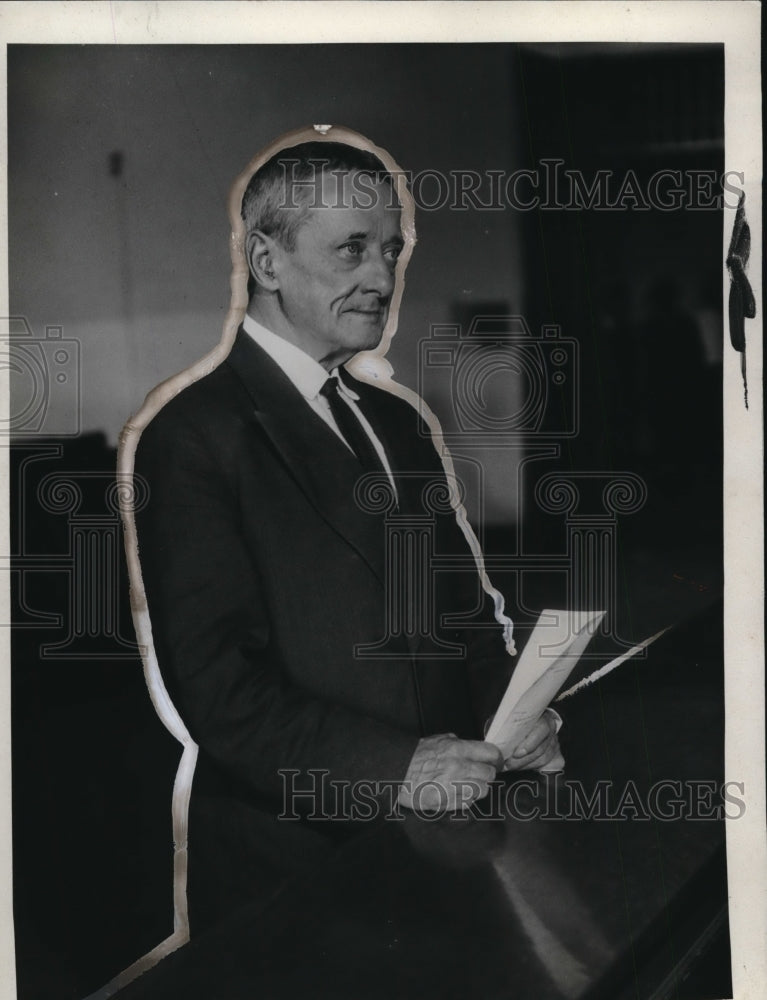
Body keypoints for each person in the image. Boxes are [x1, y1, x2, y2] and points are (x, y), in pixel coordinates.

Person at [133, 136, 561, 933]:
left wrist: (516, 710)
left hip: (443, 838)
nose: (382, 277)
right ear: (266, 261)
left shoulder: (396, 423)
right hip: (299, 867)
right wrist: (398, 768)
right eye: (352, 249)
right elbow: (219, 692)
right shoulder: (192, 437)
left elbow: (463, 616)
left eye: (391, 250)